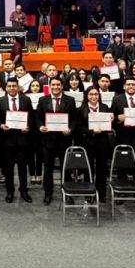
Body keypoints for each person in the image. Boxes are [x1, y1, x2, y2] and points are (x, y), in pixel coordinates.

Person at [36, 76, 76, 205]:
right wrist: (40, 126)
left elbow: (74, 119)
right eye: (53, 85)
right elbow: (38, 118)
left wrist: (70, 129)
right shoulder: (43, 100)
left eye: (58, 85)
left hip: (64, 140)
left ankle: (68, 193)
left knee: (66, 168)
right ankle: (48, 193)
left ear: (62, 86)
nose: (55, 87)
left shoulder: (70, 100)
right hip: (48, 140)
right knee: (48, 168)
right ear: (49, 86)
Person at [0, 77, 35, 203]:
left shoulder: (26, 99)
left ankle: (23, 190)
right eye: (10, 86)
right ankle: (9, 191)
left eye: (14, 86)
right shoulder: (0, 101)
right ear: (6, 88)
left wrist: (28, 127)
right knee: (8, 168)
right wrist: (1, 125)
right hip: (7, 141)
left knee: (23, 168)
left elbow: (31, 117)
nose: (12, 88)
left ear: (18, 87)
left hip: (23, 140)